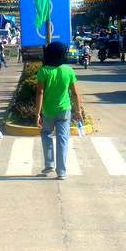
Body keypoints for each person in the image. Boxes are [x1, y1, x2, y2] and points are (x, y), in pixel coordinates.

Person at [35, 42, 82, 180]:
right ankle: (61, 172)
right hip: (65, 110)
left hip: (49, 111)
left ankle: (49, 163)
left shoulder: (44, 71)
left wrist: (38, 113)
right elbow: (75, 93)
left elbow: (40, 93)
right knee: (62, 139)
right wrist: (78, 110)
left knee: (46, 133)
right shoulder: (68, 70)